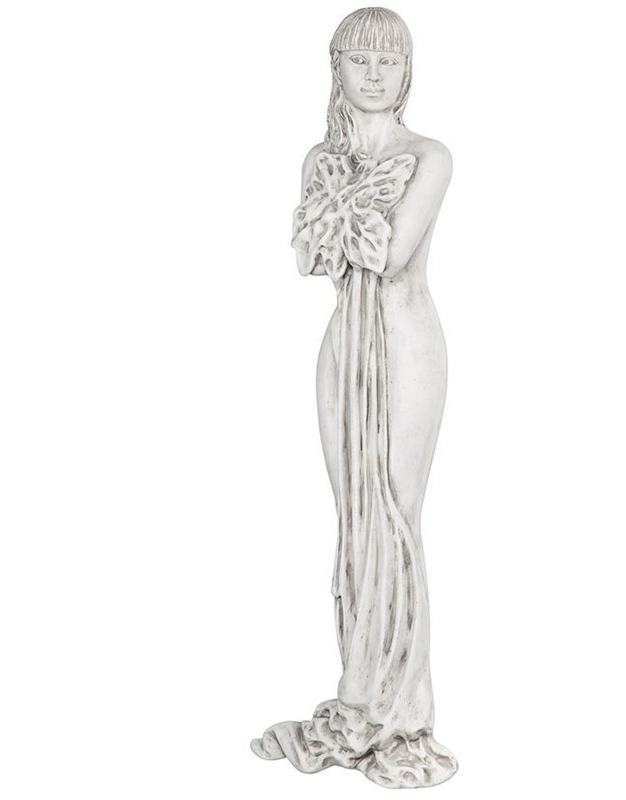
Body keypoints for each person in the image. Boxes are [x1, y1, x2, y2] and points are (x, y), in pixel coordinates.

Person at [251, 8, 457, 788]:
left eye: (388, 61)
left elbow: (390, 252)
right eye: (359, 60)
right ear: (335, 68)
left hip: (407, 346)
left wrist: (335, 218)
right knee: (355, 522)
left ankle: (402, 714)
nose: (374, 75)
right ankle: (360, 695)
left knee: (395, 519)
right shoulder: (320, 160)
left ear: (409, 72)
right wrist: (334, 220)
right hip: (344, 347)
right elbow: (309, 259)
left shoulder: (429, 157)